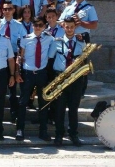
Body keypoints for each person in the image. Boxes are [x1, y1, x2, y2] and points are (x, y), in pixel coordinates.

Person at [48, 17, 85, 147]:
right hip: (60, 78)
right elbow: (50, 61)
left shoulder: (81, 43)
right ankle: (59, 135)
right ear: (63, 27)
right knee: (59, 109)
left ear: (75, 27)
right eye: (67, 27)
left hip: (75, 79)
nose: (69, 29)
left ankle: (73, 134)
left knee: (73, 109)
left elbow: (84, 62)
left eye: (71, 27)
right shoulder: (56, 42)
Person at [15, 16, 54, 142]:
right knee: (23, 102)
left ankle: (43, 131)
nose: (37, 27)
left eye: (40, 25)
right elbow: (20, 57)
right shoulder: (26, 39)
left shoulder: (49, 39)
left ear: (44, 26)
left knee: (43, 103)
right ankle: (20, 129)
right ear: (32, 26)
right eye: (35, 25)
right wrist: (17, 72)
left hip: (42, 72)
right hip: (28, 73)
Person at [0, 1, 25, 123]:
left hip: (14, 57)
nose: (7, 11)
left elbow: (24, 42)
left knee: (13, 89)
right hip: (0, 58)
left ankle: (14, 114)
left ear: (14, 10)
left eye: (9, 8)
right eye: (5, 9)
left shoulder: (19, 26)